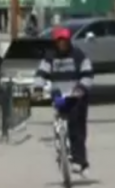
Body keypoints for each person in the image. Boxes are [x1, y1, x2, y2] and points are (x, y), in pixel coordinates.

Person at [34, 26, 94, 173]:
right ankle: (60, 140)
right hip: (60, 96)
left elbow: (88, 74)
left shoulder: (78, 55)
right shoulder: (50, 57)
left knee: (77, 127)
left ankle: (79, 160)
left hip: (76, 96)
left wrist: (81, 88)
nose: (62, 44)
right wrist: (38, 88)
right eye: (59, 41)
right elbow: (41, 74)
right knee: (62, 117)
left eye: (65, 41)